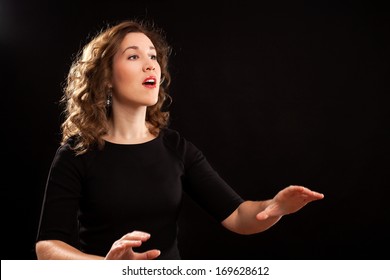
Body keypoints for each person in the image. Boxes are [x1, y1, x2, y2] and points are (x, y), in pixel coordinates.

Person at [35, 19, 324, 260]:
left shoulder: (176, 148)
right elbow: (47, 247)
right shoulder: (76, 153)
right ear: (106, 77)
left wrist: (274, 208)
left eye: (153, 56)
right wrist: (104, 268)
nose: (151, 65)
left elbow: (238, 216)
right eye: (134, 56)